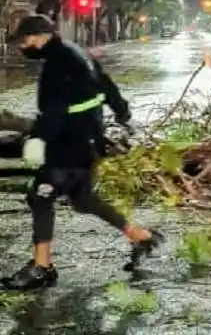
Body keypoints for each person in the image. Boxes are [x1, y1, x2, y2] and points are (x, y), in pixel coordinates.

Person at [0, 15, 163, 291]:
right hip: (89, 140)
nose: (23, 47)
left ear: (41, 36)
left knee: (40, 195)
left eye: (25, 40)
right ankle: (140, 236)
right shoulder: (78, 53)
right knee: (83, 199)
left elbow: (54, 110)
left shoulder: (58, 65)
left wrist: (38, 139)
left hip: (69, 145)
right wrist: (123, 113)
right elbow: (106, 84)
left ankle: (41, 267)